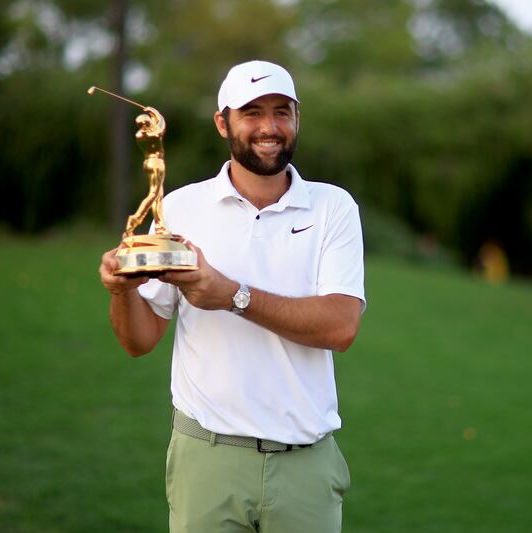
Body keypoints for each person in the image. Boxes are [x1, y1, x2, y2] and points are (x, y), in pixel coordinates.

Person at [98, 60, 366, 533]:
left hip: (304, 462)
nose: (269, 127)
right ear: (223, 122)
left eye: (282, 112)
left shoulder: (333, 207)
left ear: (297, 119)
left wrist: (231, 295)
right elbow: (139, 341)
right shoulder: (179, 207)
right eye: (252, 112)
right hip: (207, 458)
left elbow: (340, 327)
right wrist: (122, 293)